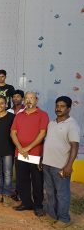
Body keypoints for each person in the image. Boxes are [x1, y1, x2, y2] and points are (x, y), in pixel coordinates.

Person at [42, 96, 80, 228]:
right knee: (50, 192)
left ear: (69, 108)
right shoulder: (52, 123)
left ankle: (64, 219)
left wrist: (69, 166)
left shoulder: (72, 124)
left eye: (62, 106)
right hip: (47, 164)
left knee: (62, 193)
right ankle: (53, 215)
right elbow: (48, 142)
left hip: (61, 166)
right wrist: (42, 159)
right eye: (57, 106)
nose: (58, 109)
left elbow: (74, 146)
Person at [11, 91, 49, 216]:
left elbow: (42, 133)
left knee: (37, 181)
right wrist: (20, 148)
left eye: (31, 98)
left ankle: (38, 206)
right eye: (27, 98)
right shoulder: (19, 115)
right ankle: (26, 203)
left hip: (35, 154)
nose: (29, 100)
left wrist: (28, 148)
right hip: (20, 153)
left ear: (36, 100)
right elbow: (13, 133)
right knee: (22, 180)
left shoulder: (42, 115)